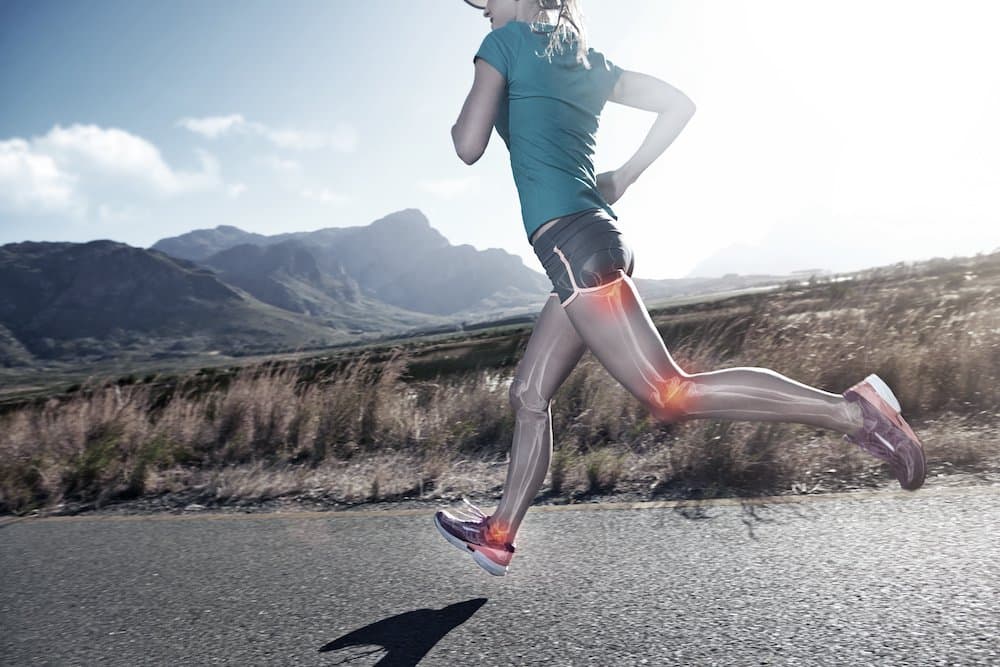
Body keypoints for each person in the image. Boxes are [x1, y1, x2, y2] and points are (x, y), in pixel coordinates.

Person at [434, 0, 926, 577]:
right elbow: (677, 103)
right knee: (527, 394)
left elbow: (467, 145)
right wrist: (623, 176)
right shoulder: (586, 59)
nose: (482, 8)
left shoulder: (504, 46)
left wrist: (485, 72)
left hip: (573, 245)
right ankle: (498, 535)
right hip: (594, 240)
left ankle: (853, 413)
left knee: (670, 392)